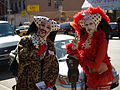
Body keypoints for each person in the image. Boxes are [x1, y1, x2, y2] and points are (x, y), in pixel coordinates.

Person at [66, 7, 114, 90]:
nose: (88, 27)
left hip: (102, 77)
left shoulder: (102, 39)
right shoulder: (85, 39)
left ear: (96, 24)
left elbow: (96, 65)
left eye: (91, 24)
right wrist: (73, 47)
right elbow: (75, 53)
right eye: (86, 25)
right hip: (91, 77)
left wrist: (81, 59)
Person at [15, 16, 60, 90]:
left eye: (48, 27)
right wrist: (37, 52)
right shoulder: (26, 40)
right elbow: (22, 59)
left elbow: (54, 66)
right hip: (26, 85)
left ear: (50, 31)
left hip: (44, 86)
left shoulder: (50, 45)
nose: (44, 28)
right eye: (42, 25)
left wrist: (50, 82)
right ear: (38, 26)